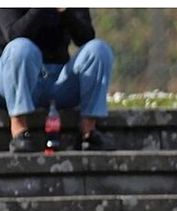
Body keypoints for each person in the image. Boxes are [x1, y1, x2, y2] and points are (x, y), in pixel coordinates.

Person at [0, 8, 114, 152]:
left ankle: (88, 132)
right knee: (20, 48)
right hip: (17, 83)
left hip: (59, 80)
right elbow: (13, 35)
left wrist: (67, 11)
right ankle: (19, 131)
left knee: (99, 49)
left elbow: (85, 37)